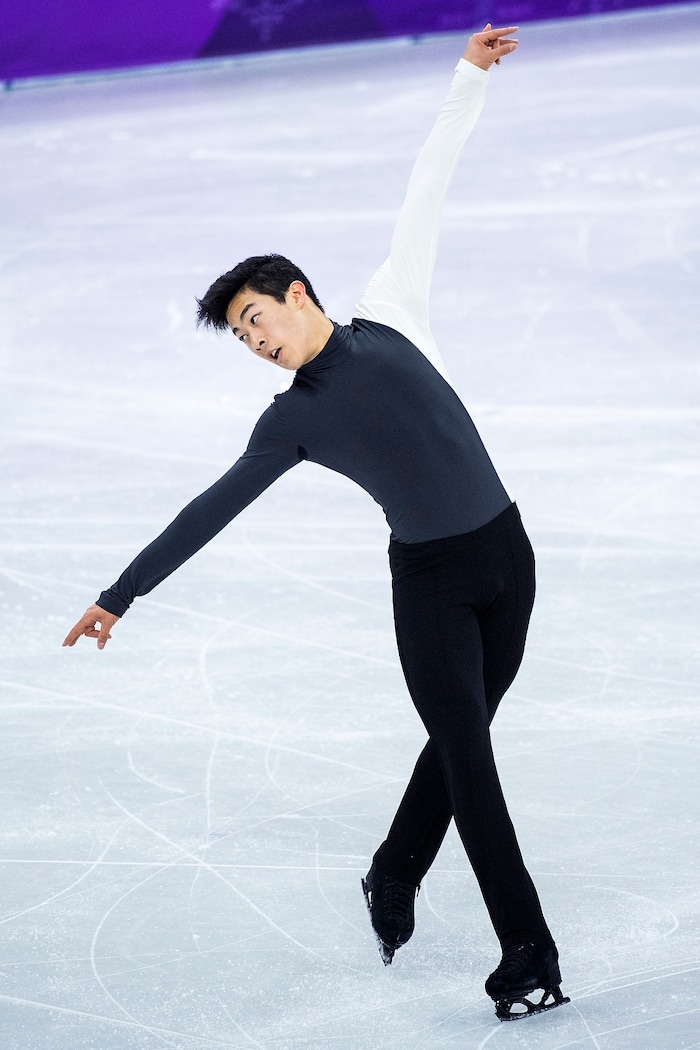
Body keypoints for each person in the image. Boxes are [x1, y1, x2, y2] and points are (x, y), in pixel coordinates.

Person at [64, 25, 568, 1021]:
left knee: (457, 745)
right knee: (468, 757)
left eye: (258, 318)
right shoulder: (289, 422)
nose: (255, 341)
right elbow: (206, 509)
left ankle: (391, 870)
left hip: (509, 557)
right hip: (428, 587)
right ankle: (528, 953)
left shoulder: (392, 310)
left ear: (298, 294)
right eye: (242, 336)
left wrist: (465, 74)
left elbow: (430, 180)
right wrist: (121, 593)